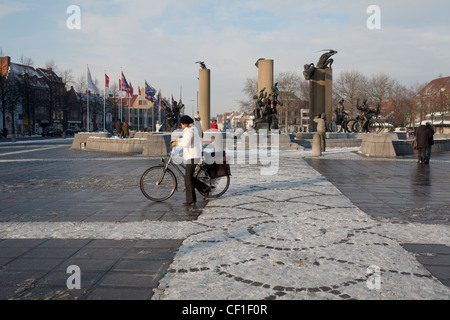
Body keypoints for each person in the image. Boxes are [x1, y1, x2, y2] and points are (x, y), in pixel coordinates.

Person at [171, 115, 211, 206]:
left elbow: (186, 143)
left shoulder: (190, 131)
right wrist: (177, 140)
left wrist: (177, 143)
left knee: (188, 178)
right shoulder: (191, 129)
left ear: (185, 124)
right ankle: (205, 188)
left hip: (193, 156)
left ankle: (191, 199)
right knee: (189, 177)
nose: (181, 125)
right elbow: (185, 140)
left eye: (182, 123)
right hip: (193, 155)